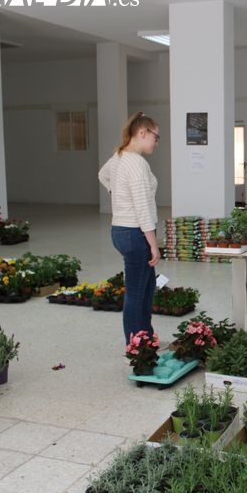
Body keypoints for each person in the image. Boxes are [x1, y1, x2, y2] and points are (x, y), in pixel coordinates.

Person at [98, 112, 161, 344]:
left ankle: (145, 338)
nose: (157, 142)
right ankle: (135, 347)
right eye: (156, 137)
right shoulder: (136, 163)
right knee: (136, 292)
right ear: (142, 133)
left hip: (121, 231)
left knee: (147, 286)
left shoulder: (119, 156)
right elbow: (142, 208)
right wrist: (154, 245)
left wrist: (118, 195)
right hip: (136, 233)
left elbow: (102, 175)